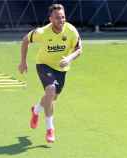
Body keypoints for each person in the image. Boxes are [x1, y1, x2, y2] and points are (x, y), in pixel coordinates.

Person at [18, 3, 82, 143]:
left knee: (51, 98)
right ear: (51, 19)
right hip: (44, 65)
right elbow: (25, 40)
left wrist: (69, 58)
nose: (61, 20)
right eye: (58, 18)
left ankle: (35, 110)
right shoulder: (42, 32)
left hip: (61, 69)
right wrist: (23, 62)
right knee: (51, 90)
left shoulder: (71, 31)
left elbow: (79, 49)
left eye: (63, 17)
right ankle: (50, 129)